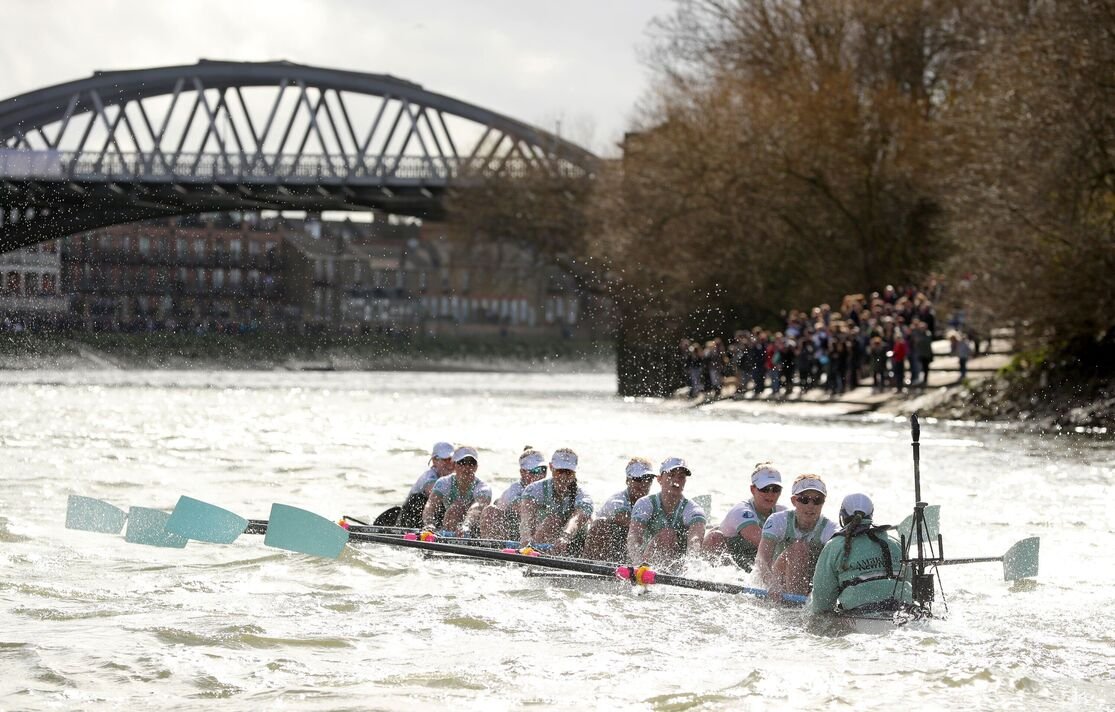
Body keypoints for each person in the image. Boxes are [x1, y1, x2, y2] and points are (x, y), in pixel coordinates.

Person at [808, 493, 913, 617]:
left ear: (842, 515)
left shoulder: (834, 546)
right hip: (904, 611)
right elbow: (909, 579)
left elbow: (822, 600)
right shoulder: (894, 542)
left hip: (862, 616)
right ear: (871, 514)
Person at [756, 475, 837, 598]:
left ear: (823, 502)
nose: (811, 505)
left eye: (817, 500)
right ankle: (795, 605)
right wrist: (771, 584)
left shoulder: (831, 529)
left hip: (812, 584)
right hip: (778, 581)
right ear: (794, 501)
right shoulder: (778, 520)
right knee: (799, 548)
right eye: (805, 500)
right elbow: (761, 559)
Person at [703, 463, 786, 570]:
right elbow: (761, 542)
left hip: (752, 562)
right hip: (728, 561)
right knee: (714, 537)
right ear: (753, 489)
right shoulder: (742, 511)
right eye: (765, 489)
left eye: (775, 489)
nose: (770, 494)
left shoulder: (783, 512)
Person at [626, 457, 706, 568]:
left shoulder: (693, 510)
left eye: (681, 477)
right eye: (671, 475)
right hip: (644, 562)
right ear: (659, 479)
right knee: (667, 535)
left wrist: (691, 565)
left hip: (678, 565)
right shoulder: (645, 504)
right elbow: (634, 536)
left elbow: (695, 540)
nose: (676, 480)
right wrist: (638, 564)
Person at [518, 448, 594, 555]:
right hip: (541, 537)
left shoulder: (583, 495)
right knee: (553, 521)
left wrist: (565, 536)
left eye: (568, 472)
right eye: (560, 471)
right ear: (551, 468)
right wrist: (525, 537)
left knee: (555, 521)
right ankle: (533, 554)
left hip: (574, 541)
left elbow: (577, 519)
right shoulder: (534, 489)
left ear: (574, 472)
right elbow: (526, 519)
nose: (563, 477)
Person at [582, 457, 656, 562]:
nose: (643, 483)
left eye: (648, 479)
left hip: (628, 548)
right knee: (601, 524)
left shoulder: (653, 503)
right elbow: (624, 519)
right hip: (607, 547)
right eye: (638, 479)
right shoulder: (617, 500)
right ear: (627, 480)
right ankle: (590, 565)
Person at [421, 445, 492, 535]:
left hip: (475, 528)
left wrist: (466, 525)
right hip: (452, 522)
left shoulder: (483, 487)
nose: (466, 467)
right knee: (456, 508)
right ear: (454, 465)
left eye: (471, 463)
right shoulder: (444, 482)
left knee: (490, 510)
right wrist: (429, 524)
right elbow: (431, 505)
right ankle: (449, 535)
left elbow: (477, 507)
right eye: (462, 462)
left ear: (476, 467)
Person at [479, 448, 548, 540]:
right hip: (513, 532)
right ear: (522, 472)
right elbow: (524, 509)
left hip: (537, 531)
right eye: (535, 471)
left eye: (543, 470)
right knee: (490, 511)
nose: (540, 475)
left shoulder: (551, 487)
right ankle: (494, 547)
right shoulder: (514, 490)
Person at [397, 441, 455, 528]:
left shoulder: (454, 478)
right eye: (445, 460)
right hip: (411, 516)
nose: (449, 463)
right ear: (434, 461)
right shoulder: (429, 476)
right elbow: (434, 493)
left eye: (451, 459)